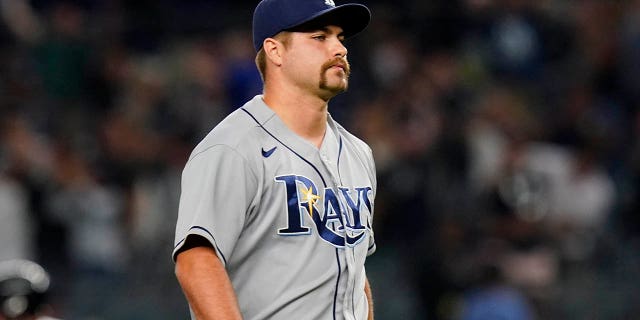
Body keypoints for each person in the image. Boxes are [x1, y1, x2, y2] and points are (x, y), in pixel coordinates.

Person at [172, 0, 376, 319]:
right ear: (275, 51)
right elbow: (196, 261)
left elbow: (354, 270)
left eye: (340, 38)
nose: (339, 48)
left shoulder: (357, 153)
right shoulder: (233, 147)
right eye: (320, 37)